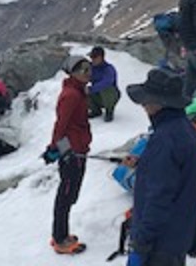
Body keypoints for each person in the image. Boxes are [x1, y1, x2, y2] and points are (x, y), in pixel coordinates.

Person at [126, 68, 196, 266]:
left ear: (159, 104)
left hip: (159, 245)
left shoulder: (164, 139)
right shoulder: (187, 129)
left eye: (146, 101)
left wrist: (140, 244)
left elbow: (159, 197)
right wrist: (146, 164)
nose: (143, 106)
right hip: (179, 236)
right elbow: (193, 169)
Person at [43, 55, 92, 255]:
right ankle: (59, 238)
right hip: (71, 150)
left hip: (78, 147)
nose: (88, 73)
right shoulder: (71, 95)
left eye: (89, 69)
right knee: (66, 193)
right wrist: (55, 147)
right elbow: (60, 124)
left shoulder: (79, 91)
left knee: (70, 192)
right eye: (84, 70)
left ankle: (62, 234)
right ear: (73, 73)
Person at [87, 46, 120, 122]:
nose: (92, 59)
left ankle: (109, 111)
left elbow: (107, 82)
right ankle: (95, 110)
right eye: (91, 57)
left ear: (101, 57)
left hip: (110, 96)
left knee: (106, 88)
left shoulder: (108, 69)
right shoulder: (90, 67)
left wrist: (91, 89)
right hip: (97, 95)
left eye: (95, 57)